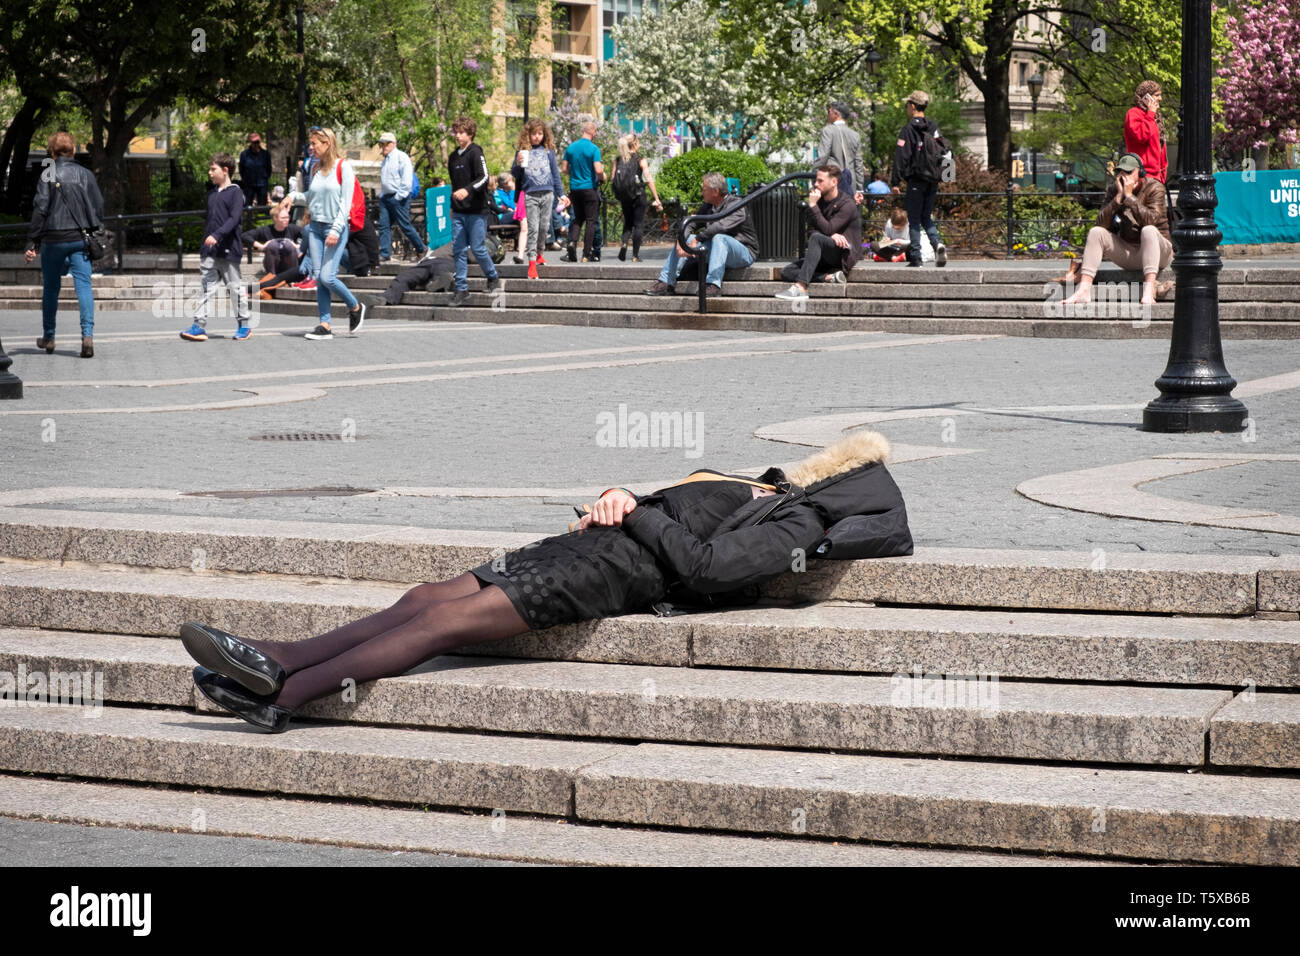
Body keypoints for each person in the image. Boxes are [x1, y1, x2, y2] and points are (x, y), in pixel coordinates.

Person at [176, 430, 913, 733]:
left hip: (615, 572)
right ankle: (278, 656)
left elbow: (705, 569)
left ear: (846, 487)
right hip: (581, 545)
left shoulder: (799, 528)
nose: (819, 463)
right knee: (426, 599)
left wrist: (632, 509)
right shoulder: (759, 489)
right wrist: (621, 498)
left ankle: (283, 696)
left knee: (443, 627)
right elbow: (673, 511)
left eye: (838, 465)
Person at [24, 131, 102, 358]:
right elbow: (98, 206)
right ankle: (87, 337)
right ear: (74, 150)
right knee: (84, 287)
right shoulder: (86, 174)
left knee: (50, 289)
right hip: (80, 238)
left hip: (53, 239)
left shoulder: (48, 174)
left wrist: (32, 242)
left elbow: (40, 210)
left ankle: (49, 337)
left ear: (52, 152)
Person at [285, 127, 366, 340]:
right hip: (316, 228)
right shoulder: (315, 169)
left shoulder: (343, 167)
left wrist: (337, 229)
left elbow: (345, 203)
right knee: (319, 279)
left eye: (314, 144)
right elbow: (312, 196)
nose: (311, 148)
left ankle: (355, 307)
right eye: (310, 144)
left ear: (327, 143)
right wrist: (293, 197)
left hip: (334, 228)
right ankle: (325, 325)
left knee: (327, 277)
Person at [1062, 153, 1172, 308]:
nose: (1123, 176)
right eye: (1121, 172)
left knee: (1148, 230)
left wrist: (1130, 197)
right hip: (1130, 253)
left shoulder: (1155, 188)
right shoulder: (1115, 190)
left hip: (1159, 253)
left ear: (1140, 173)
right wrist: (1118, 198)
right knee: (1096, 232)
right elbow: (1101, 223)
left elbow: (1152, 220)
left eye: (1128, 172)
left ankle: (1149, 288)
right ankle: (1084, 289)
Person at [643, 172, 758, 298]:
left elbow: (720, 226)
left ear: (715, 191)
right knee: (689, 238)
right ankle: (666, 282)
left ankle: (713, 285)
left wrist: (698, 238)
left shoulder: (736, 205)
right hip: (716, 251)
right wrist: (681, 242)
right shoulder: (708, 206)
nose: (701, 193)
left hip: (744, 252)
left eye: (704, 190)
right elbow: (691, 224)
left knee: (719, 238)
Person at [179, 153, 253, 342]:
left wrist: (217, 235)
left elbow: (234, 219)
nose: (210, 173)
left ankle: (244, 325)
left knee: (235, 289)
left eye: (213, 169)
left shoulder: (236, 192)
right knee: (206, 288)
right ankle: (198, 325)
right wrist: (205, 244)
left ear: (225, 170)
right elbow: (210, 222)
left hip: (229, 251)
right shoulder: (211, 194)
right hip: (210, 252)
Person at [775, 163, 862, 298]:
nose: (816, 184)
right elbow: (811, 231)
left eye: (820, 181)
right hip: (823, 252)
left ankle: (801, 287)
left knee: (817, 238)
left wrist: (813, 206)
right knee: (787, 272)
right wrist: (830, 234)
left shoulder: (847, 204)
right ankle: (828, 277)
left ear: (834, 182)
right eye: (816, 180)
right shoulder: (818, 201)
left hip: (843, 253)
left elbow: (827, 228)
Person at [890, 90, 948, 268]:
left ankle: (915, 257)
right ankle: (937, 243)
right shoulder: (933, 127)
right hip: (933, 180)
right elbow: (945, 150)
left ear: (913, 106)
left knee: (914, 219)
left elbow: (902, 155)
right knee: (926, 217)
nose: (906, 108)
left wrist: (895, 181)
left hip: (916, 180)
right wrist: (946, 176)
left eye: (908, 105)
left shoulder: (908, 130)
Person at [446, 115, 500, 308]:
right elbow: (454, 184)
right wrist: (453, 206)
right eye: (456, 133)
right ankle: (462, 289)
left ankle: (493, 277)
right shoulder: (453, 157)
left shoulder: (476, 152)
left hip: (477, 210)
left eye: (462, 133)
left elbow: (484, 177)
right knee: (458, 250)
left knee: (477, 248)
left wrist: (467, 190)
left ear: (470, 134)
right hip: (459, 212)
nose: (458, 136)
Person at [512, 119, 563, 279]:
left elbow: (555, 174)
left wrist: (561, 194)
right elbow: (516, 175)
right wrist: (518, 164)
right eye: (533, 134)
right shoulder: (522, 151)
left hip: (547, 193)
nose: (536, 137)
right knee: (533, 229)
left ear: (544, 134)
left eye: (540, 134)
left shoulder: (548, 152)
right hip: (530, 194)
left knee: (544, 228)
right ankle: (532, 263)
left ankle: (540, 252)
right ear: (528, 135)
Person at [611, 133, 663, 262]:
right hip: (638, 195)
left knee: (628, 222)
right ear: (634, 144)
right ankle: (635, 255)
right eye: (638, 142)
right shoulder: (640, 159)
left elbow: (613, 178)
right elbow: (648, 179)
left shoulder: (618, 159)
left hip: (624, 197)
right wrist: (656, 198)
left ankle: (624, 244)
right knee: (638, 224)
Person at [376, 131, 427, 262]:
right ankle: (385, 253)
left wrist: (399, 196)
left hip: (399, 197)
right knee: (384, 225)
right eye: (381, 144)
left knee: (404, 224)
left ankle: (421, 248)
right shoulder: (385, 160)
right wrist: (382, 195)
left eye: (386, 144)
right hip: (386, 197)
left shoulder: (401, 157)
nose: (383, 147)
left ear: (393, 144)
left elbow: (406, 180)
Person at [561, 118, 605, 262]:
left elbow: (564, 169)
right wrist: (603, 176)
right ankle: (586, 254)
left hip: (575, 189)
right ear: (594, 133)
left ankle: (572, 242)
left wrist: (574, 174)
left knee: (578, 218)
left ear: (583, 131)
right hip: (589, 188)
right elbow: (598, 169)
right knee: (591, 221)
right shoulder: (594, 149)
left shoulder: (571, 147)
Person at [359, 251, 454, 314]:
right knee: (404, 277)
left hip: (447, 261)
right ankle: (384, 298)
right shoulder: (446, 242)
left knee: (442, 271)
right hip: (428, 261)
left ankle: (436, 283)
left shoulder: (462, 243)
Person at [242, 200, 303, 289]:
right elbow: (245, 236)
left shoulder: (292, 228)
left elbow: (309, 235)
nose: (286, 220)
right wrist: (261, 246)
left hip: (290, 266)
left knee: (289, 245)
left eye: (287, 217)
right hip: (273, 266)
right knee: (272, 245)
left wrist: (299, 246)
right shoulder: (266, 230)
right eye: (283, 218)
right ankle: (272, 278)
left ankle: (291, 281)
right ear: (275, 218)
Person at [818, 102, 866, 205]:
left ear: (836, 114)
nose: (827, 115)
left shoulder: (828, 131)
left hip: (832, 184)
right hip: (850, 185)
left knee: (829, 216)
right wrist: (859, 189)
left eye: (829, 112)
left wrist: (815, 178)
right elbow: (858, 163)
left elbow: (822, 157)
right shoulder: (855, 135)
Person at [1124, 81, 1168, 185]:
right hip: (1142, 176)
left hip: (1156, 178)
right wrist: (1150, 115)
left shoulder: (1155, 117)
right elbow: (1141, 137)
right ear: (1146, 97)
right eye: (1157, 95)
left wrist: (1162, 177)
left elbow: (1161, 147)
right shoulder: (1134, 113)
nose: (1160, 98)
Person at [238, 134, 273, 208]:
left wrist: (265, 177)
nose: (256, 144)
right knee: (247, 204)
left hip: (262, 183)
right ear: (251, 143)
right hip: (249, 184)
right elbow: (241, 168)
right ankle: (249, 218)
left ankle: (261, 218)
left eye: (257, 142)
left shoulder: (266, 154)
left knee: (262, 204)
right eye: (254, 142)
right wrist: (245, 179)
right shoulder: (244, 155)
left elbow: (269, 168)